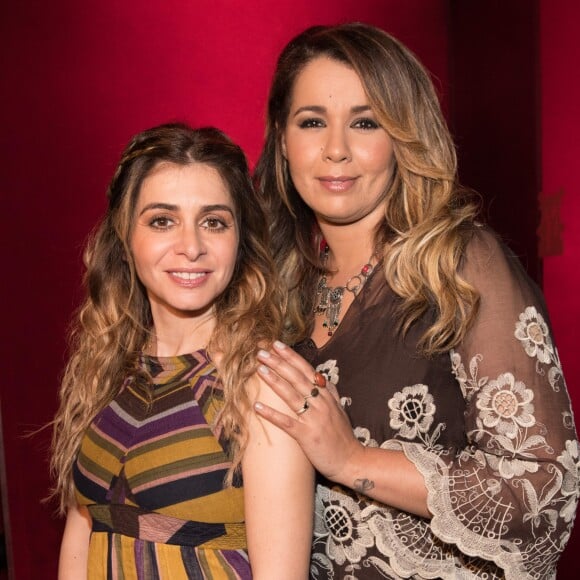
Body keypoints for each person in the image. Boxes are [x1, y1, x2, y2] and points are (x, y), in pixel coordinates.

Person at [253, 23, 579, 579]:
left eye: (365, 122)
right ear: (283, 141)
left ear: (404, 136)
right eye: (312, 122)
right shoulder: (273, 290)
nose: (336, 149)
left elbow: (545, 489)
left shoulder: (460, 265)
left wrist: (351, 460)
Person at [50, 123, 313, 579]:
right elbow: (84, 526)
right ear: (126, 238)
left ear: (240, 240)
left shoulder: (264, 382)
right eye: (162, 221)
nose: (191, 247)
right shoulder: (106, 368)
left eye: (213, 222)